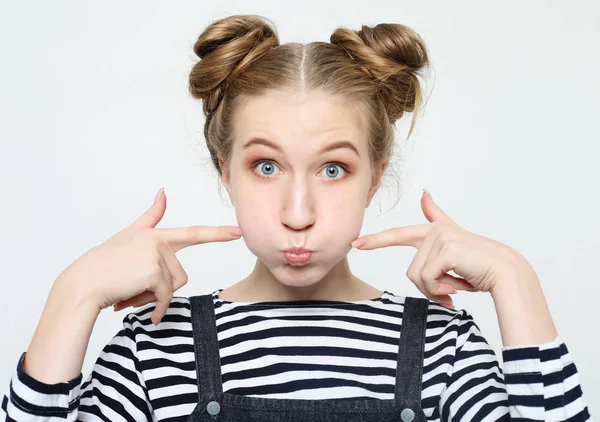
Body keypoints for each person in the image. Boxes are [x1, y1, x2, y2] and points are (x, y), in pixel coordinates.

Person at [1, 14, 594, 422]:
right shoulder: (152, 353)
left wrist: (517, 280)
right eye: (266, 167)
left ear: (376, 176)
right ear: (223, 170)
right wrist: (72, 294)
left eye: (333, 170)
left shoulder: (445, 350)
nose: (298, 212)